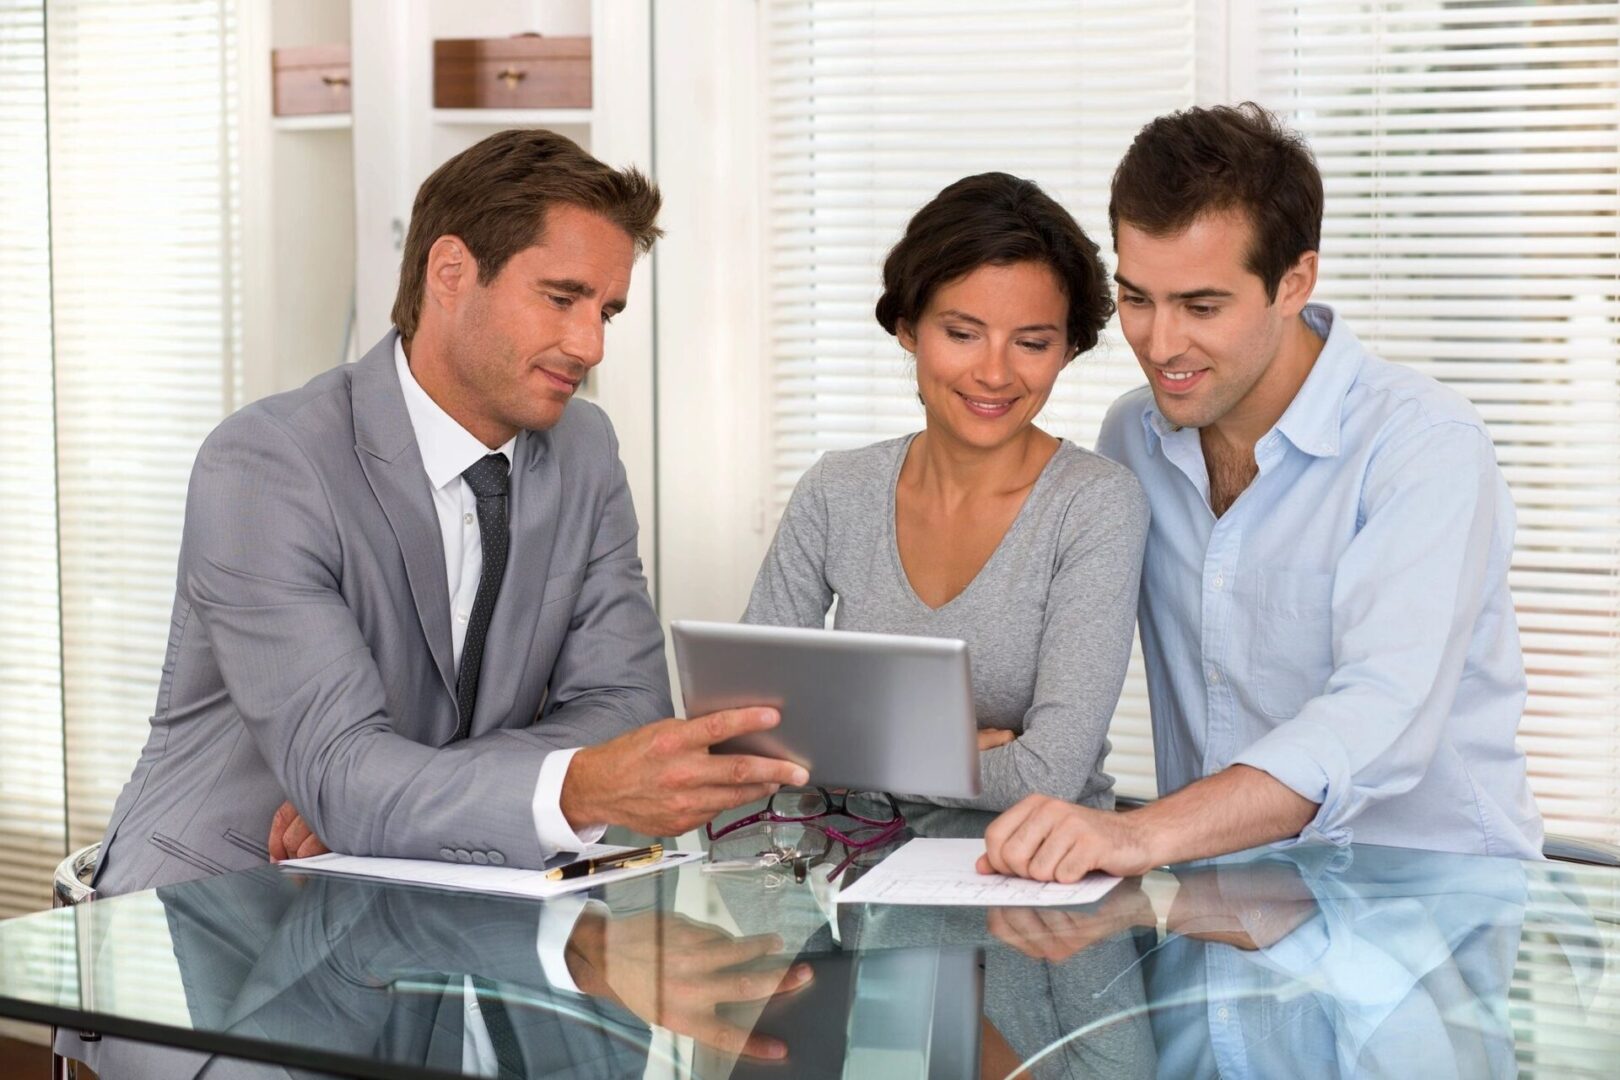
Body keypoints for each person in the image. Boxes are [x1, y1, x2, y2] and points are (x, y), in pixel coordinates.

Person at [89, 128, 808, 898]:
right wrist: (567, 788)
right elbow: (339, 768)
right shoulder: (267, 465)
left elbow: (625, 707)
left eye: (608, 311)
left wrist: (385, 798)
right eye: (563, 298)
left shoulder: (583, 452)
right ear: (451, 271)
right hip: (221, 918)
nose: (591, 344)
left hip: (431, 907)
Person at [980, 104, 1543, 882]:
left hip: (1420, 913)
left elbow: (1378, 712)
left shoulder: (1421, 445)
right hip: (1219, 902)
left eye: (1202, 307)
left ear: (1294, 282)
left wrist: (1140, 835)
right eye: (1138, 299)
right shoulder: (1132, 440)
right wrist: (962, 735)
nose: (1161, 345)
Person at [744, 172, 1149, 812]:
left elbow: (1049, 774)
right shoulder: (837, 490)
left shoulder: (1094, 504)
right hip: (854, 871)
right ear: (909, 328)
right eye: (962, 334)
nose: (993, 373)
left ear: (1069, 349)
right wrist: (932, 756)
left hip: (1039, 876)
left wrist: (850, 757)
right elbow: (750, 726)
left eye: (1033, 343)